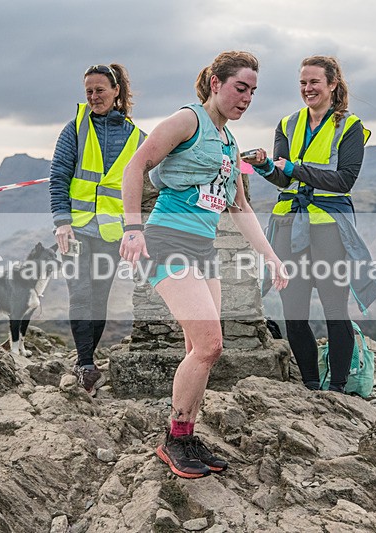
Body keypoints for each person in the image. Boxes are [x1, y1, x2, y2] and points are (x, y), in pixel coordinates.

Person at [119, 51, 288, 479]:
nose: (246, 98)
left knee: (200, 351)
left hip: (202, 249)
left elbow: (240, 207)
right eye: (240, 88)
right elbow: (135, 166)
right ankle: (173, 440)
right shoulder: (188, 120)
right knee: (210, 344)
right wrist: (133, 228)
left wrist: (271, 258)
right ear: (216, 83)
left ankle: (187, 434)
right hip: (167, 242)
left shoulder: (229, 142)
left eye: (252, 92)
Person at [244, 55, 376, 393]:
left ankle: (337, 388)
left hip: (328, 226)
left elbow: (344, 180)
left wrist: (294, 169)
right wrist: (265, 167)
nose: (307, 88)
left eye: (314, 82)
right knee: (293, 310)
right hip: (289, 223)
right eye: (303, 83)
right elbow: (282, 178)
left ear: (332, 84)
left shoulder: (349, 126)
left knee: (335, 308)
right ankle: (309, 385)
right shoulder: (287, 124)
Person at [49, 63, 146, 396]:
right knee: (80, 292)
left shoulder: (137, 137)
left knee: (99, 296)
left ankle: (86, 362)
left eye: (100, 90)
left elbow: (150, 183)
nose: (93, 97)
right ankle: (86, 364)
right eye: (88, 91)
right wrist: (61, 222)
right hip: (76, 229)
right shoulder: (75, 128)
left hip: (111, 233)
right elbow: (59, 177)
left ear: (116, 91)